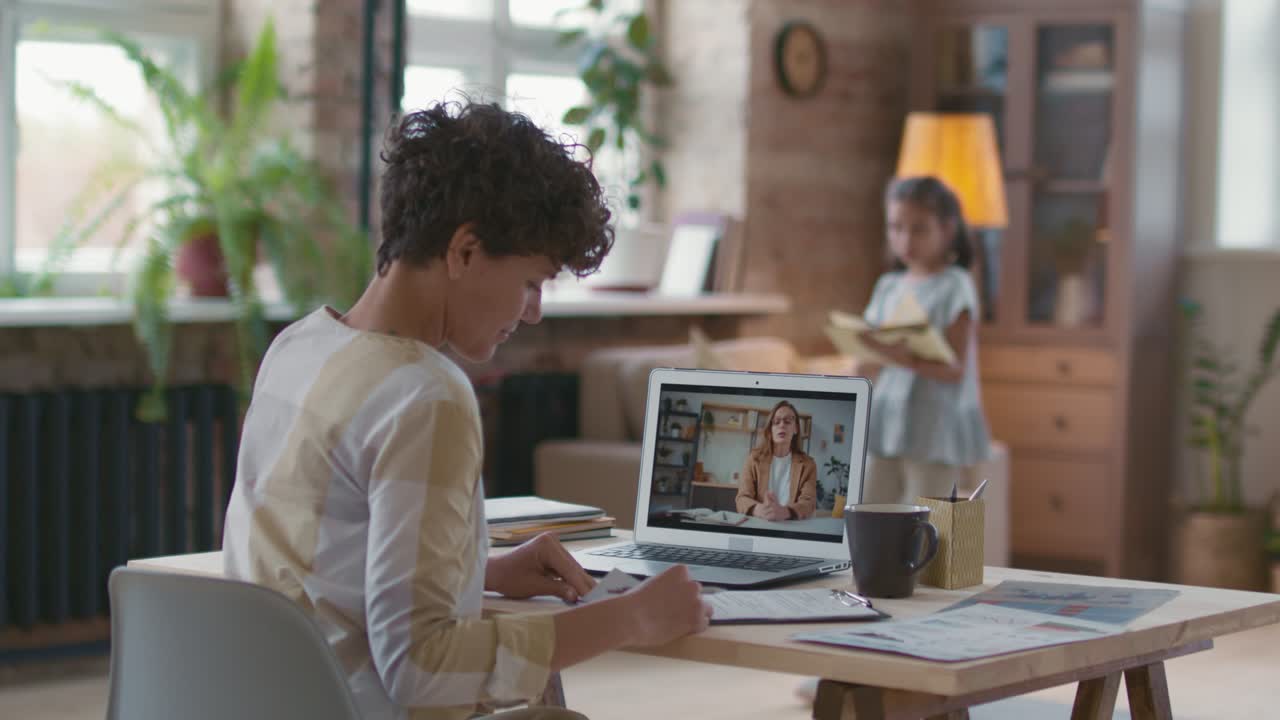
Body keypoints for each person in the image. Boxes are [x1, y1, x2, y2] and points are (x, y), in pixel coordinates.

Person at [221, 100, 711, 720]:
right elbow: (419, 665)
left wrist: (480, 570)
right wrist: (628, 619)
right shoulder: (426, 394)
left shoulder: (296, 347)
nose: (533, 311)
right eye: (532, 281)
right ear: (465, 251)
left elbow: (322, 568)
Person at [855, 175, 992, 505]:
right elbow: (868, 358)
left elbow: (955, 369)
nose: (905, 240)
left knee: (924, 523)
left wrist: (902, 357)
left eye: (919, 229)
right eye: (896, 228)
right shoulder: (888, 286)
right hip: (885, 422)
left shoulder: (955, 286)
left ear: (946, 229)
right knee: (868, 514)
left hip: (934, 429)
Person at [734, 401, 818, 520]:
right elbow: (742, 498)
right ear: (770, 430)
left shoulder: (808, 464)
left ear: (796, 428)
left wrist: (785, 512)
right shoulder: (754, 459)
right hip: (759, 525)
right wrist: (759, 509)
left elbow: (808, 503)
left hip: (791, 529)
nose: (782, 425)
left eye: (788, 421)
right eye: (776, 422)